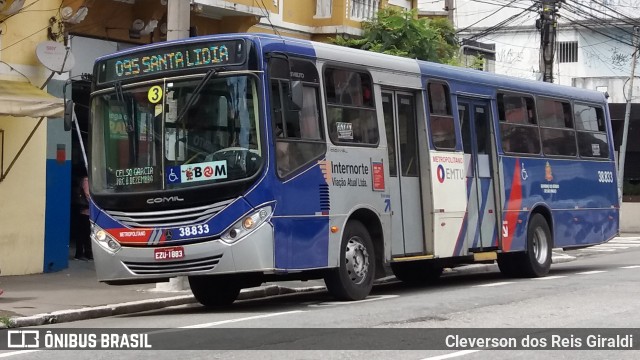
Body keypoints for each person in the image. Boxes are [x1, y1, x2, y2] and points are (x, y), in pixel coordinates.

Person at [72, 172, 92, 260]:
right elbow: (88, 195)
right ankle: (82, 253)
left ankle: (85, 252)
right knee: (85, 233)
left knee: (84, 233)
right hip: (85, 211)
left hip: (85, 211)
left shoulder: (84, 179)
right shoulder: (86, 180)